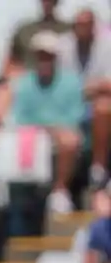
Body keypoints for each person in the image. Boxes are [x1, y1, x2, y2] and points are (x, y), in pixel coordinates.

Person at [10, 32, 86, 214]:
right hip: (33, 136)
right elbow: (19, 117)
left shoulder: (71, 81)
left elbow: (76, 115)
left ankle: (60, 190)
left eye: (48, 56)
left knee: (69, 140)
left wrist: (53, 128)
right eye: (41, 56)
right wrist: (46, 128)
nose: (44, 60)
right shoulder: (24, 83)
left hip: (60, 135)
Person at [59, 9, 111, 189]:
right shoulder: (64, 45)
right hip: (67, 105)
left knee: (103, 107)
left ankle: (99, 167)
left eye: (87, 25)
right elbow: (59, 84)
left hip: (93, 105)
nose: (83, 29)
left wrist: (88, 87)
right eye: (80, 25)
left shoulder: (106, 45)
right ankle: (61, 190)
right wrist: (86, 87)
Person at [9, 0, 70, 73]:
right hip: (30, 78)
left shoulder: (67, 30)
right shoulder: (26, 31)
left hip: (61, 79)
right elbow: (11, 61)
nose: (47, 3)